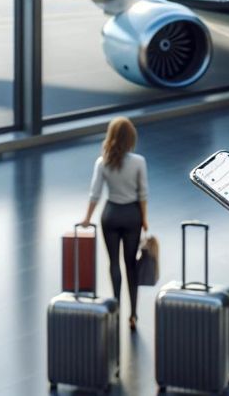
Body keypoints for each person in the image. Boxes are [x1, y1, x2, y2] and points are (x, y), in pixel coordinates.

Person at [81, 116, 149, 333]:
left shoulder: (102, 162)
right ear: (131, 138)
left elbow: (95, 194)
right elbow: (143, 194)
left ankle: (116, 306)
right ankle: (133, 314)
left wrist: (87, 219)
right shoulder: (139, 162)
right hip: (132, 216)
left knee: (113, 263)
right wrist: (144, 219)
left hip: (110, 215)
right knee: (131, 265)